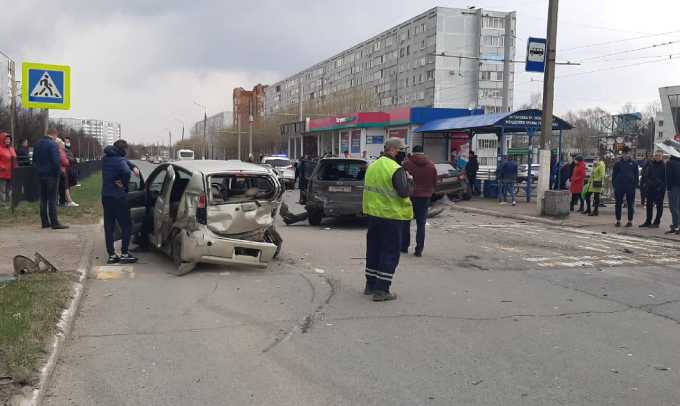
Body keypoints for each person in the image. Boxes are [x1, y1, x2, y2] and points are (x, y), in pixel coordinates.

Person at [363, 138, 413, 302]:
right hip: (391, 216)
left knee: (374, 249)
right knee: (389, 252)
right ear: (394, 150)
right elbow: (404, 192)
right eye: (402, 150)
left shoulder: (373, 166)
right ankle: (382, 290)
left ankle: (370, 285)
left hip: (374, 215)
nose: (404, 154)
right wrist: (410, 181)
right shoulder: (395, 168)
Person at [102, 139, 139, 264]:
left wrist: (133, 165)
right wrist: (123, 184)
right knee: (126, 225)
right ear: (123, 150)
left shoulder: (106, 159)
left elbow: (124, 162)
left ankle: (111, 255)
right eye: (126, 150)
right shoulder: (120, 161)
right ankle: (124, 253)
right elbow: (125, 171)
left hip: (106, 197)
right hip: (119, 197)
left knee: (109, 226)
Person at [401, 145, 437, 257]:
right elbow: (435, 182)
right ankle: (419, 250)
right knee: (421, 224)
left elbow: (401, 180)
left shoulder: (406, 164)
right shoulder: (431, 165)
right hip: (425, 197)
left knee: (406, 222)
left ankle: (404, 246)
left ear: (413, 152)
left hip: (409, 197)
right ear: (423, 152)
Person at [33, 128, 68, 229]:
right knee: (52, 199)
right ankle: (55, 223)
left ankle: (44, 222)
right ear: (55, 135)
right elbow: (55, 161)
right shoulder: (53, 145)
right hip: (52, 175)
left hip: (40, 175)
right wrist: (58, 173)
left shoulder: (37, 144)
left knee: (43, 199)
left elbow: (34, 160)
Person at [612, 147, 639, 227]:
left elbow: (636, 175)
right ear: (622, 154)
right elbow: (614, 175)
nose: (625, 155)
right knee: (618, 204)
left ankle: (630, 221)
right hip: (619, 187)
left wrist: (635, 185)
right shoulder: (618, 163)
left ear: (629, 154)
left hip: (630, 187)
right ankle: (618, 221)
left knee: (630, 204)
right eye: (624, 153)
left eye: (627, 153)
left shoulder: (634, 163)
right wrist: (615, 185)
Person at [639, 150, 666, 228]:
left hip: (659, 189)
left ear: (662, 157)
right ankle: (648, 221)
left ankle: (656, 222)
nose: (657, 157)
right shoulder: (651, 164)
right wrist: (647, 183)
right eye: (656, 155)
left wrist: (660, 186)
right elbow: (647, 175)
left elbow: (665, 179)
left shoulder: (664, 166)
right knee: (649, 205)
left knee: (659, 206)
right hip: (650, 188)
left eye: (659, 155)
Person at [55, 138, 78, 207]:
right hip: (62, 170)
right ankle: (68, 201)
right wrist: (68, 161)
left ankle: (65, 201)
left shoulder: (61, 151)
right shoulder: (60, 151)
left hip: (63, 170)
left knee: (64, 187)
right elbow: (64, 161)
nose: (64, 145)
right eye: (62, 144)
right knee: (65, 186)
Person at [0, 132, 17, 207]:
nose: (8, 141)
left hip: (11, 172)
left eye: (9, 139)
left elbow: (14, 158)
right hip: (2, 172)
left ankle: (8, 202)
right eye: (6, 139)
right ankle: (2, 203)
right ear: (2, 139)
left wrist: (16, 167)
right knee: (2, 189)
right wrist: (1, 166)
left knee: (9, 188)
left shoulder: (11, 148)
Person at [666, 152, 680, 234]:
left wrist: (668, 188)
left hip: (673, 187)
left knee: (673, 207)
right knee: (678, 207)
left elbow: (668, 176)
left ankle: (676, 226)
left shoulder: (670, 163)